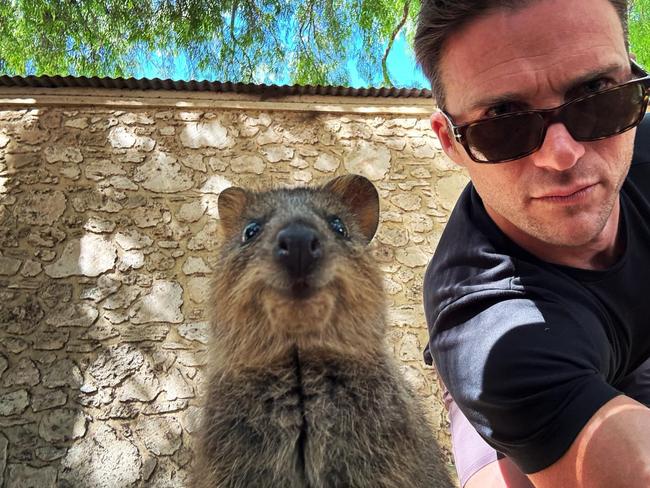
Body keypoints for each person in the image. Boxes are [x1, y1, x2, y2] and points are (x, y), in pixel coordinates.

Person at [413, 0, 650, 487]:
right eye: (503, 121)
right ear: (451, 141)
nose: (562, 155)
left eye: (597, 95)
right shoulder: (486, 327)